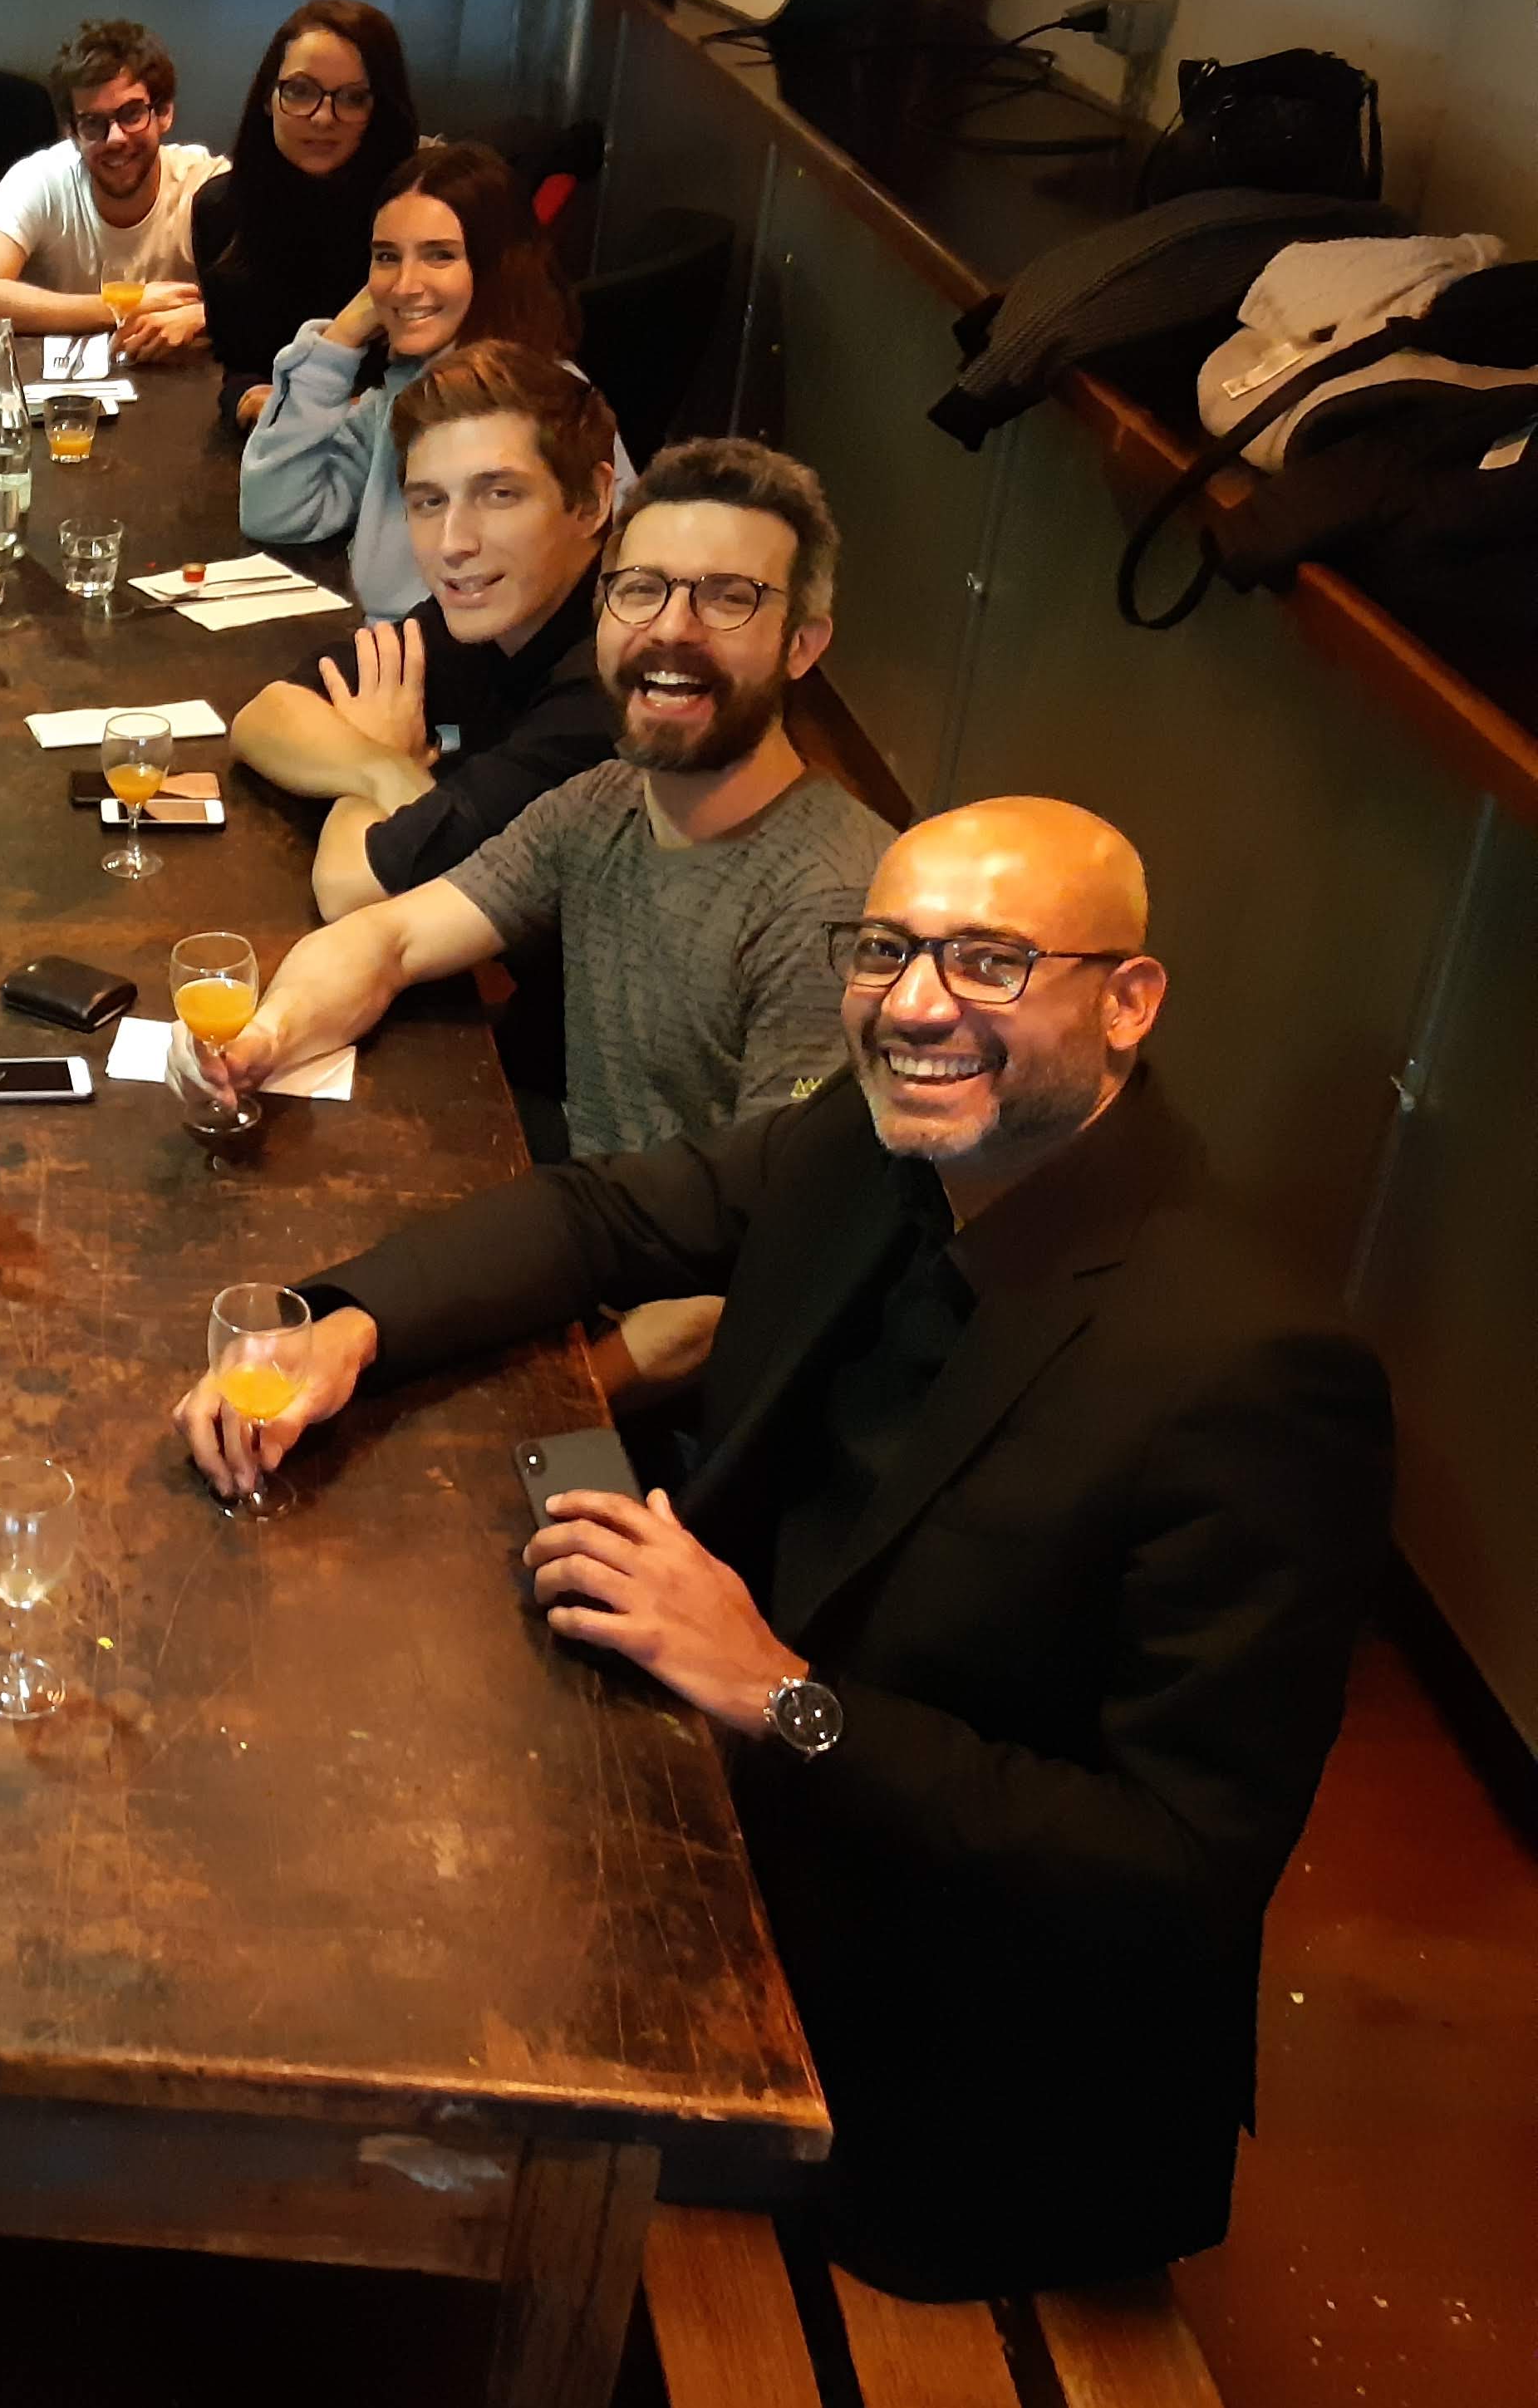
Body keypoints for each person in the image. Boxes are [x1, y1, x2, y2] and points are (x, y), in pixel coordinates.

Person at [176, 799, 1394, 2302]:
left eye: (990, 961)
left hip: (942, 2054)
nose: (915, 1003)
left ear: (1127, 1002)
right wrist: (340, 1325)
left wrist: (778, 1691)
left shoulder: (1249, 1369)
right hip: (721, 1810)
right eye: (883, 950)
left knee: (366, 2065)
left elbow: (1172, 1875)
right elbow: (606, 1210)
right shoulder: (877, 1138)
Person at [205, 437, 890, 1166]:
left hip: (660, 1266)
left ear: (801, 646)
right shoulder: (605, 802)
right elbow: (388, 939)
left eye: (727, 598)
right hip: (583, 1206)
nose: (669, 629)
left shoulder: (837, 908)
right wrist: (265, 1039)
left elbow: (775, 1234)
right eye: (641, 589)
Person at [228, 343, 622, 919]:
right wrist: (383, 765)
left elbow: (347, 886)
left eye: (500, 495)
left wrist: (384, 757)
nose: (452, 542)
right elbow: (263, 719)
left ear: (591, 500)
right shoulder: (491, 615)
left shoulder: (610, 686)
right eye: (429, 502)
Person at [240, 142, 597, 626]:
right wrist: (341, 337)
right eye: (387, 257)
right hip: (398, 666)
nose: (405, 284)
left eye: (440, 256)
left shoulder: (538, 405)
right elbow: (278, 512)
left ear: (497, 266)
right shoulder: (409, 391)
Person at [191, 0, 420, 430]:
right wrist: (247, 397)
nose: (322, 118)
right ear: (268, 97)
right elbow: (239, 365)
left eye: (353, 99)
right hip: (275, 445)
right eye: (300, 91)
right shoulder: (221, 210)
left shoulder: (419, 212)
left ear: (379, 110)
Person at [0, 18, 222, 361]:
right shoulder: (41, 179)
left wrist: (205, 316)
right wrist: (123, 306)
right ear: (71, 131)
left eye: (131, 115)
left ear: (164, 113)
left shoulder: (208, 184)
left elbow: (287, 295)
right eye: (93, 123)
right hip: (62, 397)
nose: (115, 138)